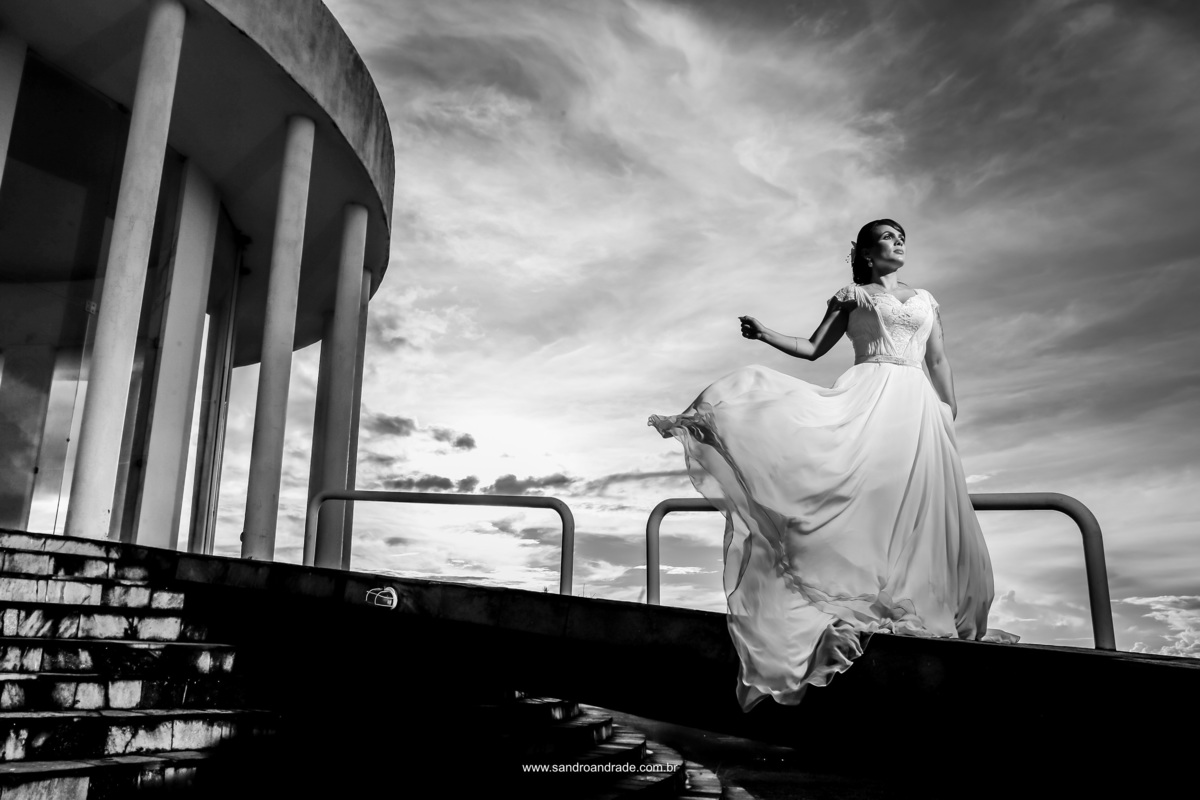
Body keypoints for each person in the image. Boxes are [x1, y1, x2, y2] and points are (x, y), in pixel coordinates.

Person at [649, 219, 1016, 713]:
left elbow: (938, 361)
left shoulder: (926, 299)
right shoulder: (852, 296)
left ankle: (914, 600)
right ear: (865, 252)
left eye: (902, 236)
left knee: (920, 507)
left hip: (921, 410)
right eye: (887, 236)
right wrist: (765, 333)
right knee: (855, 494)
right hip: (870, 396)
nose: (899, 242)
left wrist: (949, 410)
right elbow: (812, 348)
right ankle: (849, 594)